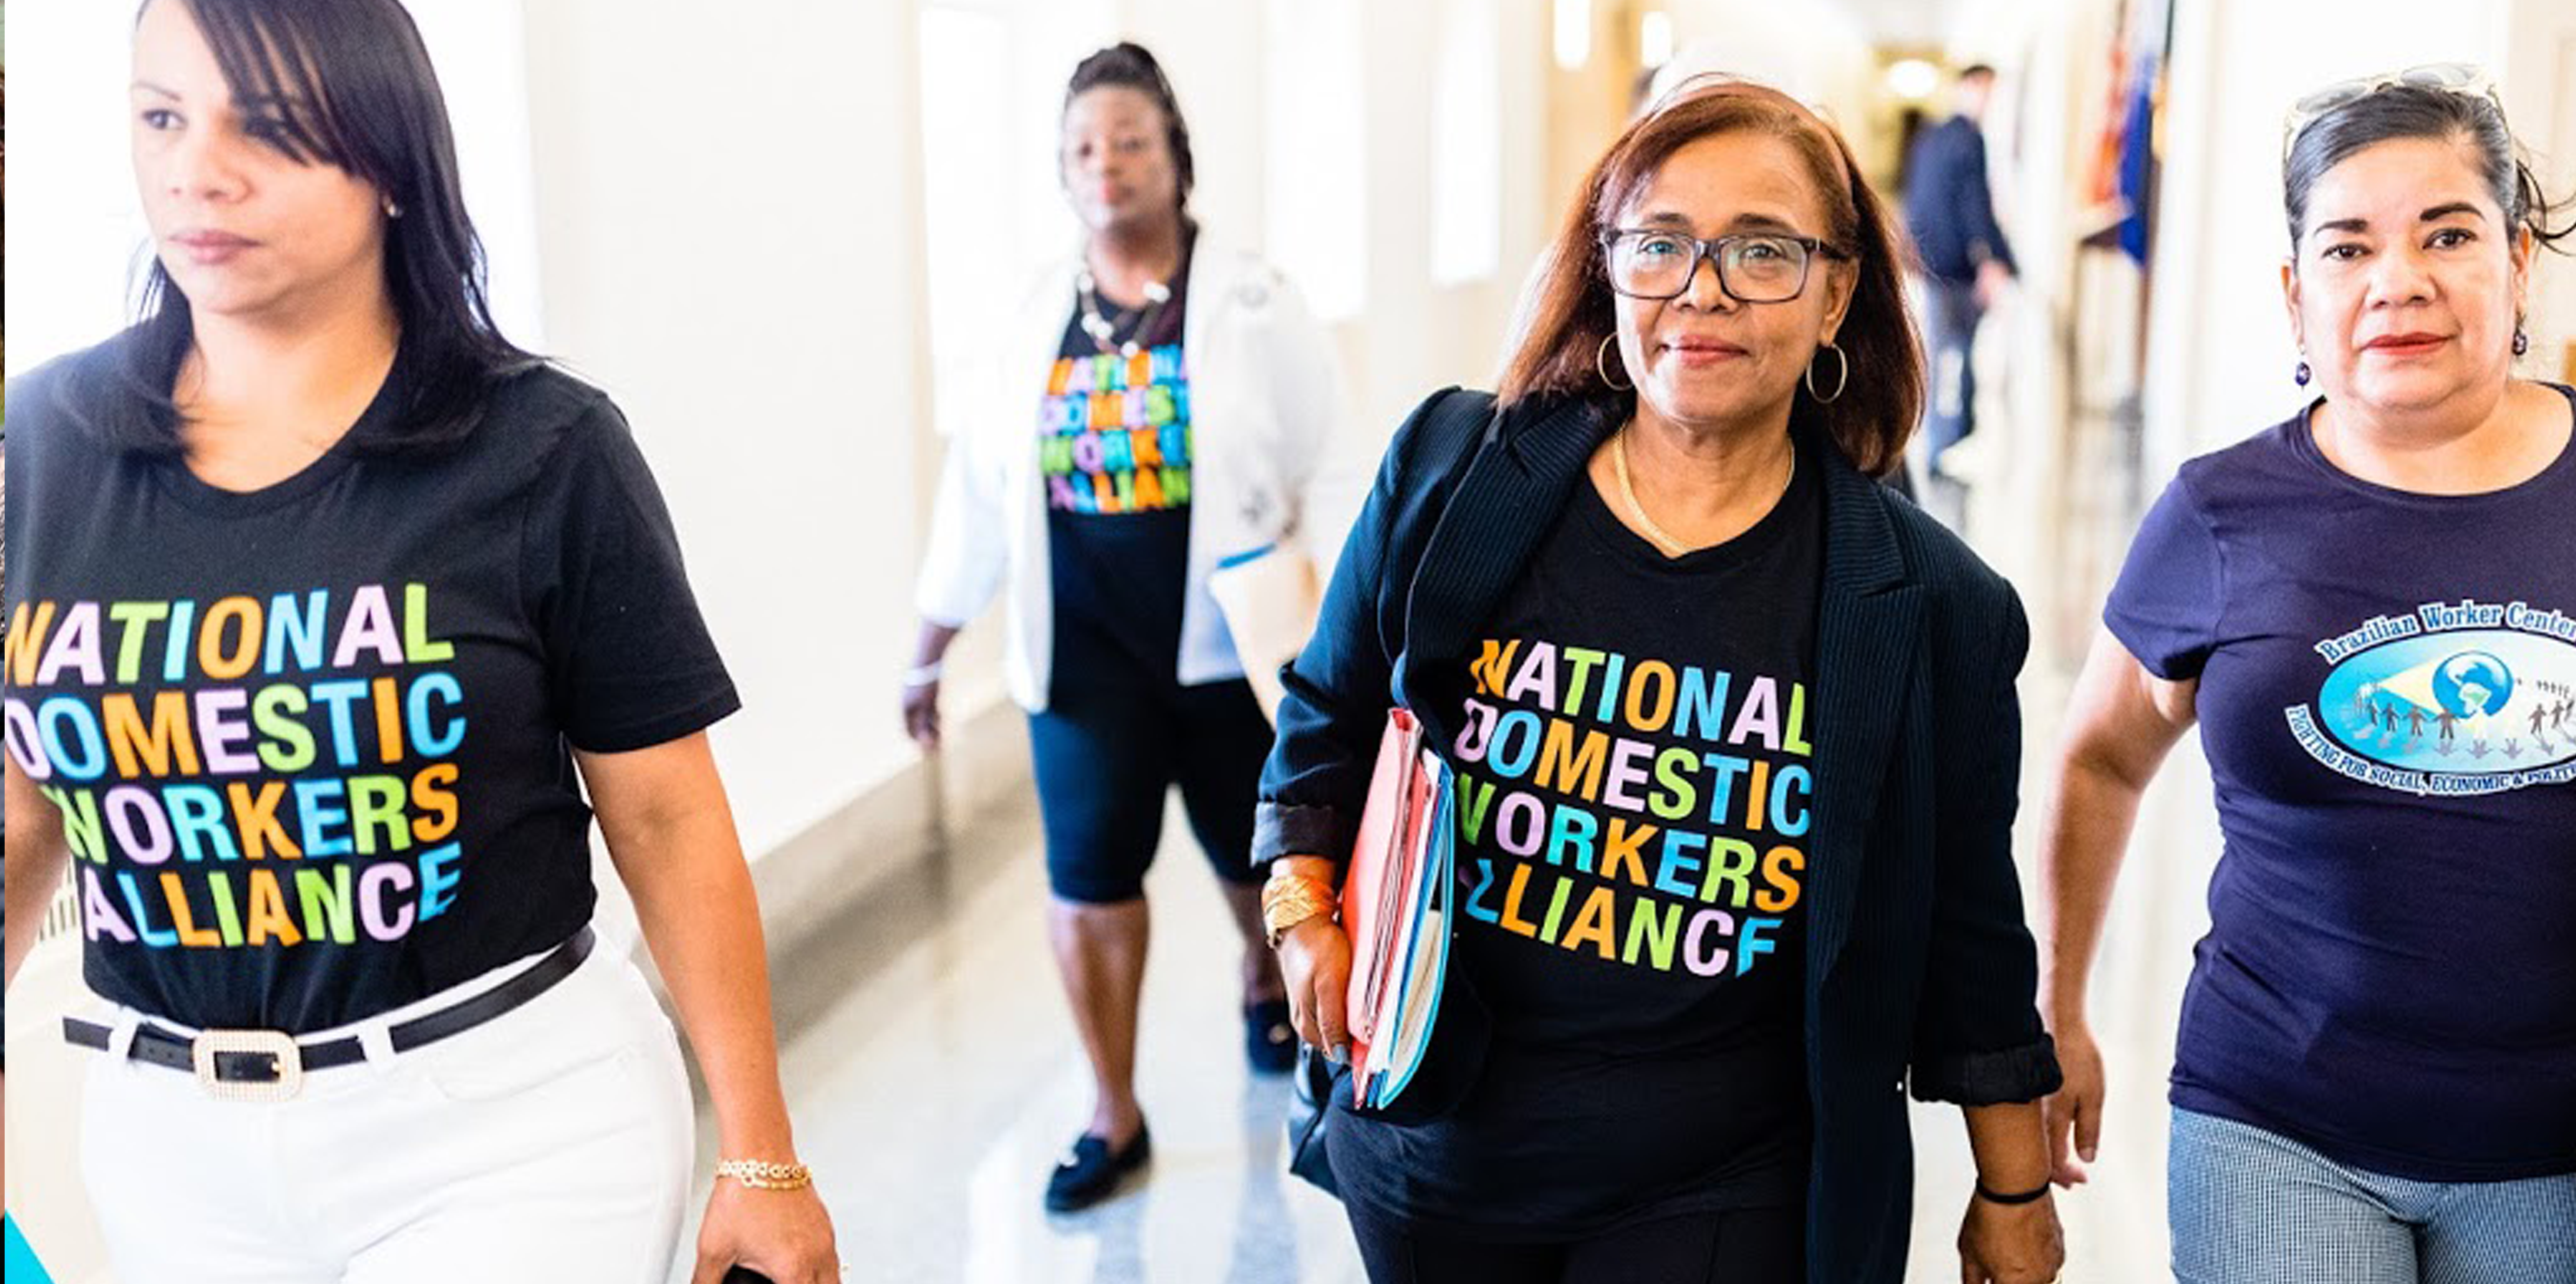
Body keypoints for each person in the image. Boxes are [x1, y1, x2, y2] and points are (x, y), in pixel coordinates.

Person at [0, 2, 837, 1280]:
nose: (196, 171)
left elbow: (664, 816)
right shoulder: (44, 448)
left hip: (507, 1127)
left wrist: (763, 1156)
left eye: (265, 128)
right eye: (163, 116)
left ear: (389, 160)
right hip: (167, 1148)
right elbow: (19, 824)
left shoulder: (542, 451)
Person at [1259, 78, 2065, 1284]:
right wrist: (1297, 909)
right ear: (1608, 262)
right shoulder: (1451, 471)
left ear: (1839, 289)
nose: (1705, 289)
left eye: (1762, 251)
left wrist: (2015, 1186)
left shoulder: (1934, 605)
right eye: (1662, 244)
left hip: (1724, 1170)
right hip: (1438, 1140)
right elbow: (1326, 713)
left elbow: (1969, 925)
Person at [2038, 64, 2576, 1284]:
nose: (2399, 282)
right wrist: (2058, 1005)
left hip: (2552, 1141)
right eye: (2347, 249)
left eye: (2449, 233)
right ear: (2297, 295)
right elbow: (2102, 754)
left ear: (2519, 264)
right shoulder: (2223, 511)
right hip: (2276, 1118)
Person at [903, 42, 1343, 1213]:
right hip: (1084, 656)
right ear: (1062, 169)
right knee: (1091, 882)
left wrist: (1351, 638)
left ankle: (1265, 981)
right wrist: (931, 639)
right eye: (1084, 147)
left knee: (1255, 859)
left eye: (1131, 140)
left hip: (1229, 646)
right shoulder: (1034, 312)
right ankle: (1115, 1109)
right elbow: (982, 484)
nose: (1108, 164)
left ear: (1175, 156)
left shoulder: (1254, 300)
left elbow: (1331, 462)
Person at [1901, 64, 2016, 483]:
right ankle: (1951, 442)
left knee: (1941, 355)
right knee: (1960, 355)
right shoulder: (1968, 139)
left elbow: (1916, 204)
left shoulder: (1930, 138)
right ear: (1967, 89)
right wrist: (1995, 261)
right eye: (1985, 89)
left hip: (1934, 265)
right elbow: (1975, 206)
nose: (1989, 100)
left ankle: (1937, 446)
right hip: (1957, 267)